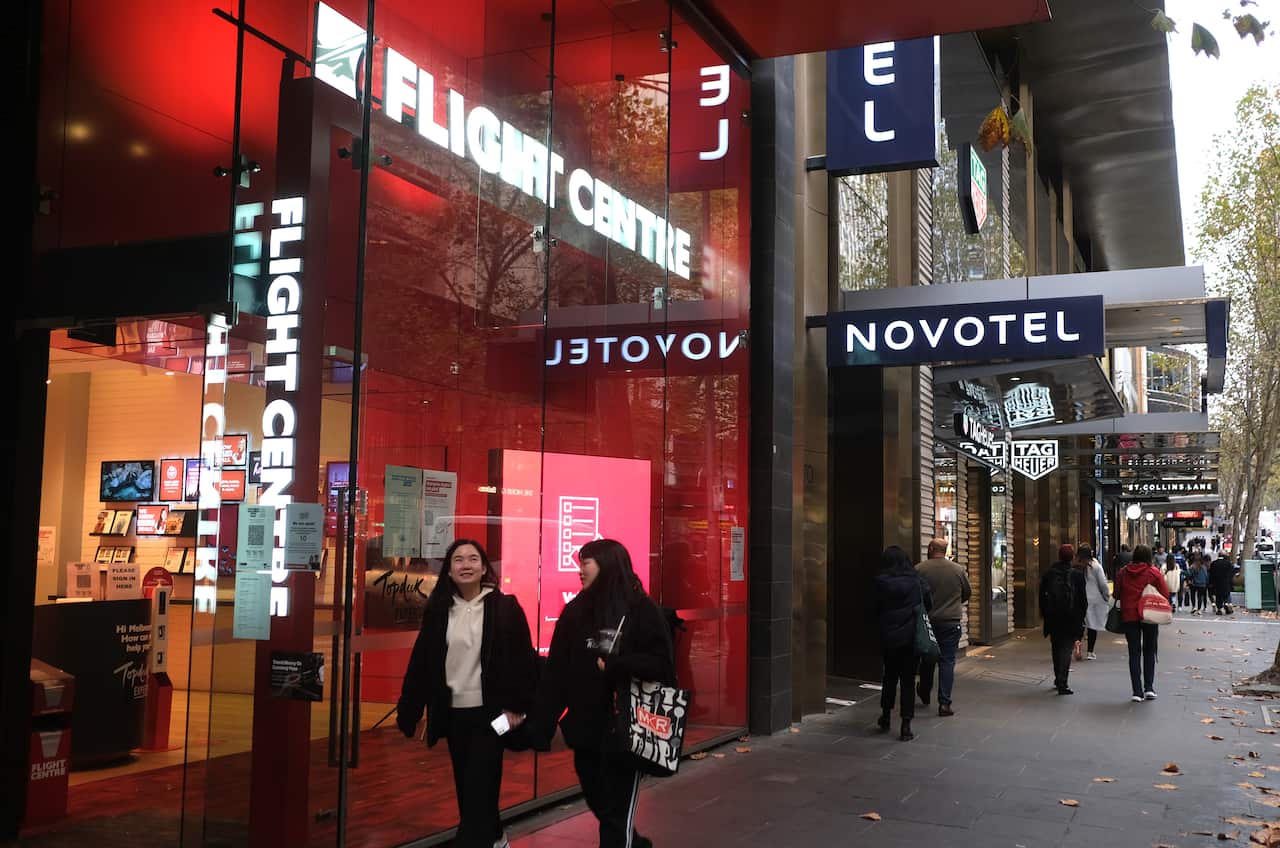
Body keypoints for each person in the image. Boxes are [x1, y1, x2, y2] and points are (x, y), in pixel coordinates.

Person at [529, 539, 674, 848]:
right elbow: (556, 672)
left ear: (607, 564)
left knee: (615, 818)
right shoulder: (575, 611)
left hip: (627, 731)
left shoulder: (639, 608)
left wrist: (618, 665)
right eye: (580, 562)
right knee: (603, 807)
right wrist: (542, 724)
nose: (580, 569)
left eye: (586, 563)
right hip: (586, 731)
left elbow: (663, 666)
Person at [396, 539, 539, 848]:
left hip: (492, 716)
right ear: (448, 570)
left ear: (484, 568)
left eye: (473, 559)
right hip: (455, 715)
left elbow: (522, 661)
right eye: (458, 559)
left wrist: (517, 707)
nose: (465, 565)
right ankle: (497, 838)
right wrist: (409, 709)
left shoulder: (504, 607)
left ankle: (473, 840)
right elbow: (422, 662)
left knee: (478, 785)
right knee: (470, 787)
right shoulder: (439, 610)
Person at [874, 545, 932, 741]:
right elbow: (928, 604)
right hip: (910, 637)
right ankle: (906, 724)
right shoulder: (917, 582)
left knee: (889, 676)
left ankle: (886, 715)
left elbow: (873, 608)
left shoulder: (880, 582)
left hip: (889, 637)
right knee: (908, 681)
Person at [915, 538, 971, 717]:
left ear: (931, 548)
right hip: (951, 622)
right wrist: (953, 604)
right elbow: (967, 592)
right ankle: (944, 703)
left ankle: (924, 690)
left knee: (927, 658)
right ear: (945, 550)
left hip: (928, 622)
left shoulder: (920, 569)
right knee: (947, 661)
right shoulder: (958, 570)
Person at [1116, 544, 1169, 702]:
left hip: (1129, 616)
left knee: (1134, 653)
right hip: (1149, 615)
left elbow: (1117, 593)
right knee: (1149, 650)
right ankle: (1149, 688)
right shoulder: (1154, 573)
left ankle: (1136, 691)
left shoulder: (1123, 572)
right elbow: (1165, 593)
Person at [1040, 543, 1088, 695]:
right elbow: (1083, 600)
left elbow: (1041, 596)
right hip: (1071, 617)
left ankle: (1057, 677)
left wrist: (1045, 614)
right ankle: (1063, 682)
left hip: (1053, 617)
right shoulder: (1078, 575)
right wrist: (1081, 617)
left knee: (1056, 647)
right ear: (1072, 557)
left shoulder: (1049, 574)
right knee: (1066, 649)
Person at [1076, 545, 1111, 660]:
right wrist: (1106, 597)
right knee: (1092, 626)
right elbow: (1103, 584)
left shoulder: (1076, 567)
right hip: (1093, 600)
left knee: (1080, 625)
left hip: (1079, 599)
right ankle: (1090, 652)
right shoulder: (1096, 566)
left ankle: (1077, 645)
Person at [1210, 549, 1235, 615]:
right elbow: (1232, 573)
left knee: (1218, 596)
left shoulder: (1213, 563)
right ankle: (1227, 604)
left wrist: (1211, 583)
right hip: (1226, 583)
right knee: (1226, 594)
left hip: (1217, 583)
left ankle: (1219, 609)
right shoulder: (1228, 563)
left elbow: (1211, 574)